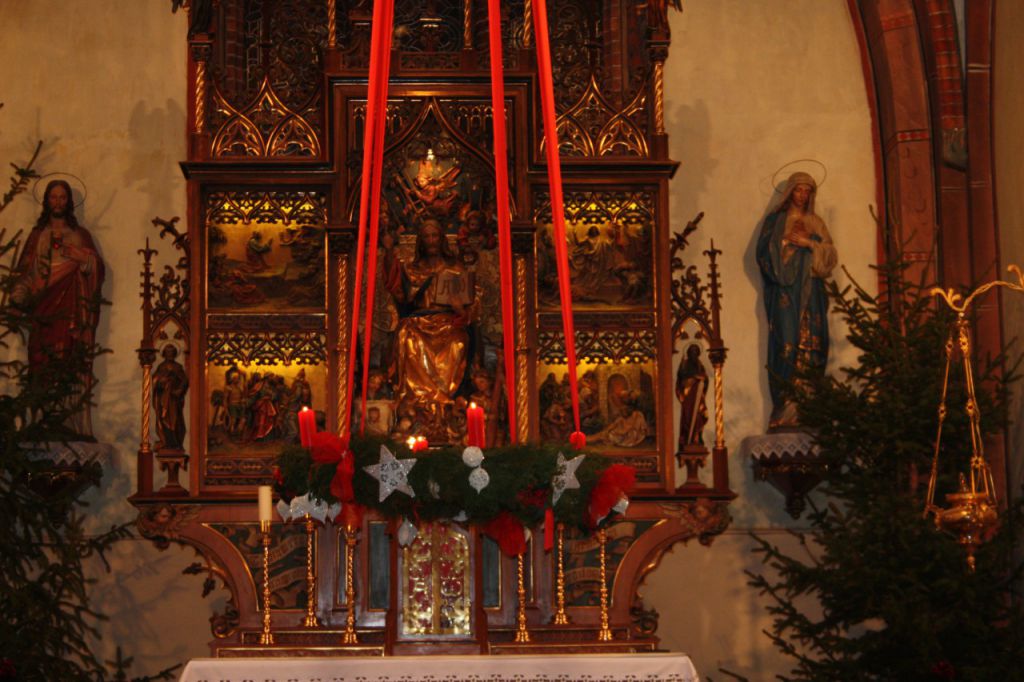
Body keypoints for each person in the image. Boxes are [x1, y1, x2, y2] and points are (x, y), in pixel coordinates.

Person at [12, 179, 105, 438]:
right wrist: (19, 295)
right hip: (43, 311)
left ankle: (68, 420)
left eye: (62, 197)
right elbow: (24, 272)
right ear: (46, 201)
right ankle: (42, 419)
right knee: (41, 360)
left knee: (68, 359)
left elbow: (97, 269)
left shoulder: (80, 235)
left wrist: (83, 258)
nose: (58, 202)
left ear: (69, 202)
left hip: (71, 310)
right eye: (53, 197)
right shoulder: (37, 236)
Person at [756, 171, 837, 429]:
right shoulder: (775, 221)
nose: (802, 195)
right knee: (786, 343)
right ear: (790, 192)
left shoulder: (815, 222)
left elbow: (830, 256)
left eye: (807, 191)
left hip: (811, 291)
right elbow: (764, 255)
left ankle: (809, 406)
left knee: (813, 343)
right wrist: (786, 245)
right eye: (799, 190)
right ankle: (785, 406)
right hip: (786, 293)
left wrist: (809, 243)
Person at [383, 219, 473, 436]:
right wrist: (388, 252)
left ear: (441, 240)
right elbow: (398, 293)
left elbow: (471, 309)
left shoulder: (455, 269)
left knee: (458, 342)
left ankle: (445, 401)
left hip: (447, 323)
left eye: (434, 236)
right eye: (426, 237)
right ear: (420, 242)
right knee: (406, 337)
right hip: (418, 321)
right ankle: (417, 403)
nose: (431, 241)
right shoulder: (411, 269)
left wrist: (460, 309)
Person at [152, 344, 189, 451]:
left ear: (174, 354)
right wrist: (161, 382)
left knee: (175, 420)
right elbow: (155, 381)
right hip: (163, 399)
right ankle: (166, 442)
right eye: (168, 353)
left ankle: (176, 443)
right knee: (163, 419)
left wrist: (179, 390)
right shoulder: (161, 367)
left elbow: (185, 381)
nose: (170, 355)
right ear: (164, 354)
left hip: (173, 399)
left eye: (172, 353)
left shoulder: (178, 367)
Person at [675, 344, 709, 449]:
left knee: (700, 415)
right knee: (688, 417)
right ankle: (687, 439)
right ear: (689, 353)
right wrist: (695, 377)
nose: (694, 354)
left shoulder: (700, 365)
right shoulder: (684, 364)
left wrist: (703, 379)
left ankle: (697, 437)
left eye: (696, 352)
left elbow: (705, 379)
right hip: (688, 397)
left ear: (698, 353)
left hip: (698, 396)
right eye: (692, 351)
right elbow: (681, 378)